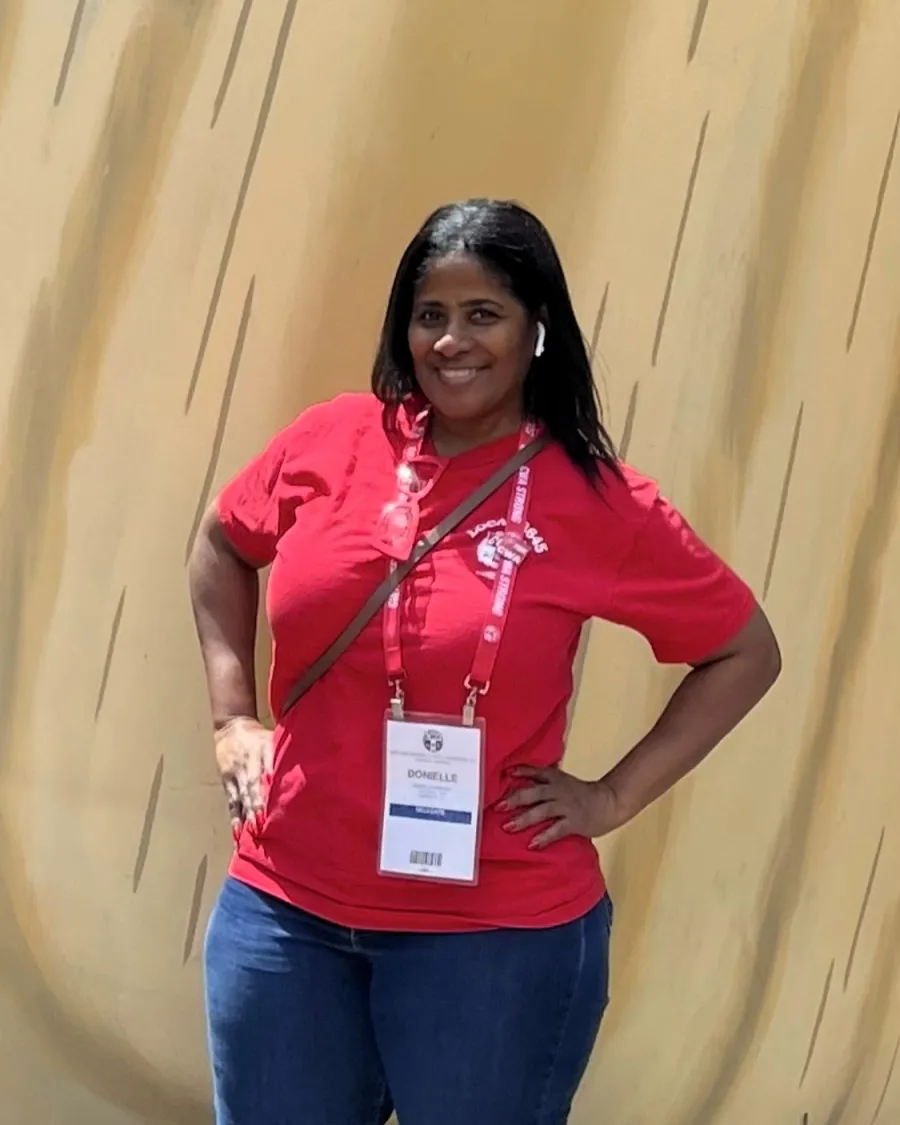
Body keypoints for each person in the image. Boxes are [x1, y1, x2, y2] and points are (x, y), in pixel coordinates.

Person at [188, 197, 781, 1125]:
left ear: (536, 329)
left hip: (492, 936)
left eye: (482, 314)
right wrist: (232, 717)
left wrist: (611, 798)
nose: (450, 341)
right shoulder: (334, 439)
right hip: (286, 912)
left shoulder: (597, 499)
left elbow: (744, 650)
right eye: (430, 314)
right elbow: (223, 544)